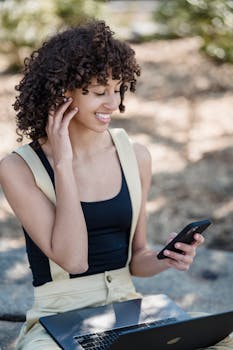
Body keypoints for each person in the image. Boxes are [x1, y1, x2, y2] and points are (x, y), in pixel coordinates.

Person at [0, 20, 232, 350]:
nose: (113, 103)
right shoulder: (19, 168)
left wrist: (166, 257)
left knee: (223, 341)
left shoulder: (135, 156)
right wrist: (64, 164)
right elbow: (75, 261)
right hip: (58, 317)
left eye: (117, 88)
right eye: (98, 92)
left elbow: (136, 260)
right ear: (63, 92)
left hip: (129, 310)